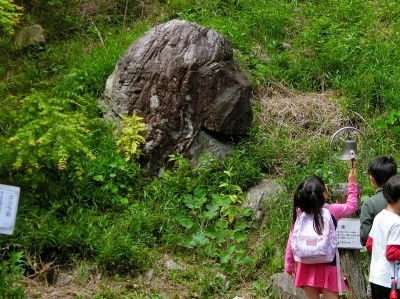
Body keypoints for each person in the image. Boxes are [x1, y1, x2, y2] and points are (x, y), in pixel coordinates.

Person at [284, 167, 358, 299]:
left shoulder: (299, 213)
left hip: (305, 264)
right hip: (328, 263)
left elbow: (291, 239)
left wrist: (289, 265)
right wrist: (352, 183)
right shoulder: (332, 210)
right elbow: (352, 205)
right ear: (323, 193)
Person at [366, 174, 400, 298]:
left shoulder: (380, 216)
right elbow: (391, 253)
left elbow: (369, 244)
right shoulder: (397, 223)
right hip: (390, 282)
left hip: (376, 277)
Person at [360, 156, 398, 247]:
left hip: (377, 257)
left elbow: (364, 238)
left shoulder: (369, 204)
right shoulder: (398, 199)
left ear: (372, 179)